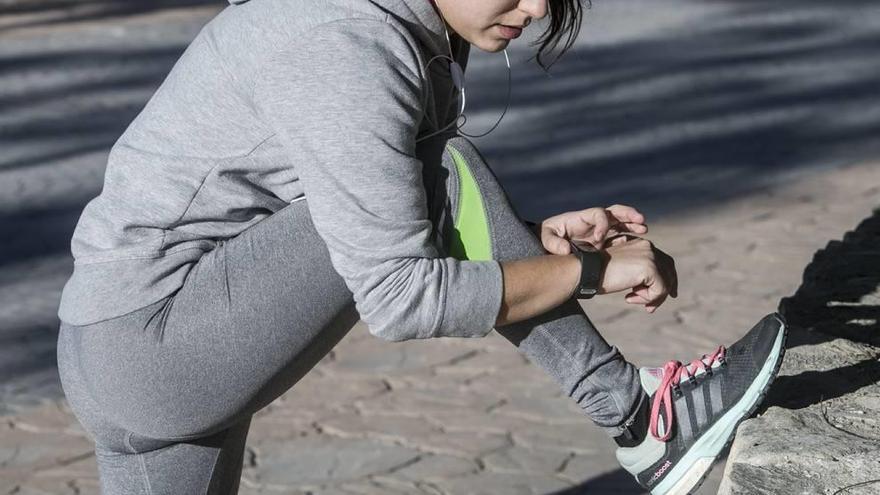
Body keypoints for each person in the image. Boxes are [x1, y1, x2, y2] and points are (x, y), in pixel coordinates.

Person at [54, 0, 787, 493]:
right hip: (160, 343)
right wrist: (587, 269)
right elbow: (401, 294)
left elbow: (366, 219)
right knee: (438, 169)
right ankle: (640, 417)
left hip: (118, 343)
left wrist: (536, 243)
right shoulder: (346, 40)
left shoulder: (372, 21)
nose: (535, 9)